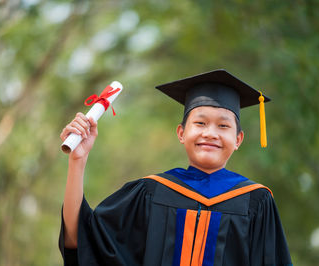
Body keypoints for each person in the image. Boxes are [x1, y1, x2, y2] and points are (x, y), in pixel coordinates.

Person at [59, 69, 292, 265]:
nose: (210, 133)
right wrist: (77, 161)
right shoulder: (149, 193)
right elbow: (79, 240)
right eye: (200, 123)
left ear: (238, 139)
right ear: (181, 133)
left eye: (223, 126)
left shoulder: (257, 202)